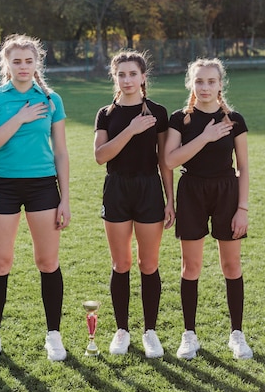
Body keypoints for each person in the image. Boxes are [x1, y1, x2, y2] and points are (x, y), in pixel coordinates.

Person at [0, 34, 70, 363]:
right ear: (6, 64)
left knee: (47, 262)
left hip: (44, 186)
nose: (23, 67)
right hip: (2, 185)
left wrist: (66, 199)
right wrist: (19, 118)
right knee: (0, 263)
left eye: (29, 61)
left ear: (37, 63)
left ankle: (53, 335)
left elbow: (60, 152)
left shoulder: (51, 98)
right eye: (16, 61)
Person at [164, 58, 253, 360]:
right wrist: (205, 137)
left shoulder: (234, 120)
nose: (205, 87)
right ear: (191, 83)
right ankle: (189, 335)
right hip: (191, 191)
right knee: (191, 267)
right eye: (199, 81)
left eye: (211, 82)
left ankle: (237, 334)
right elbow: (170, 160)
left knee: (231, 266)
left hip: (227, 191)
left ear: (220, 84)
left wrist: (242, 208)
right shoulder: (180, 119)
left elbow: (243, 167)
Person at [94, 50, 174, 358]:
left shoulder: (158, 112)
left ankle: (150, 332)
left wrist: (169, 200)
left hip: (149, 188)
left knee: (148, 264)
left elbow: (165, 161)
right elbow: (101, 156)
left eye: (132, 74)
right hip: (116, 188)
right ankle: (122, 330)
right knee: (121, 264)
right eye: (121, 74)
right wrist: (130, 130)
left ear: (143, 77)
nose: (127, 80)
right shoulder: (106, 114)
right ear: (115, 78)